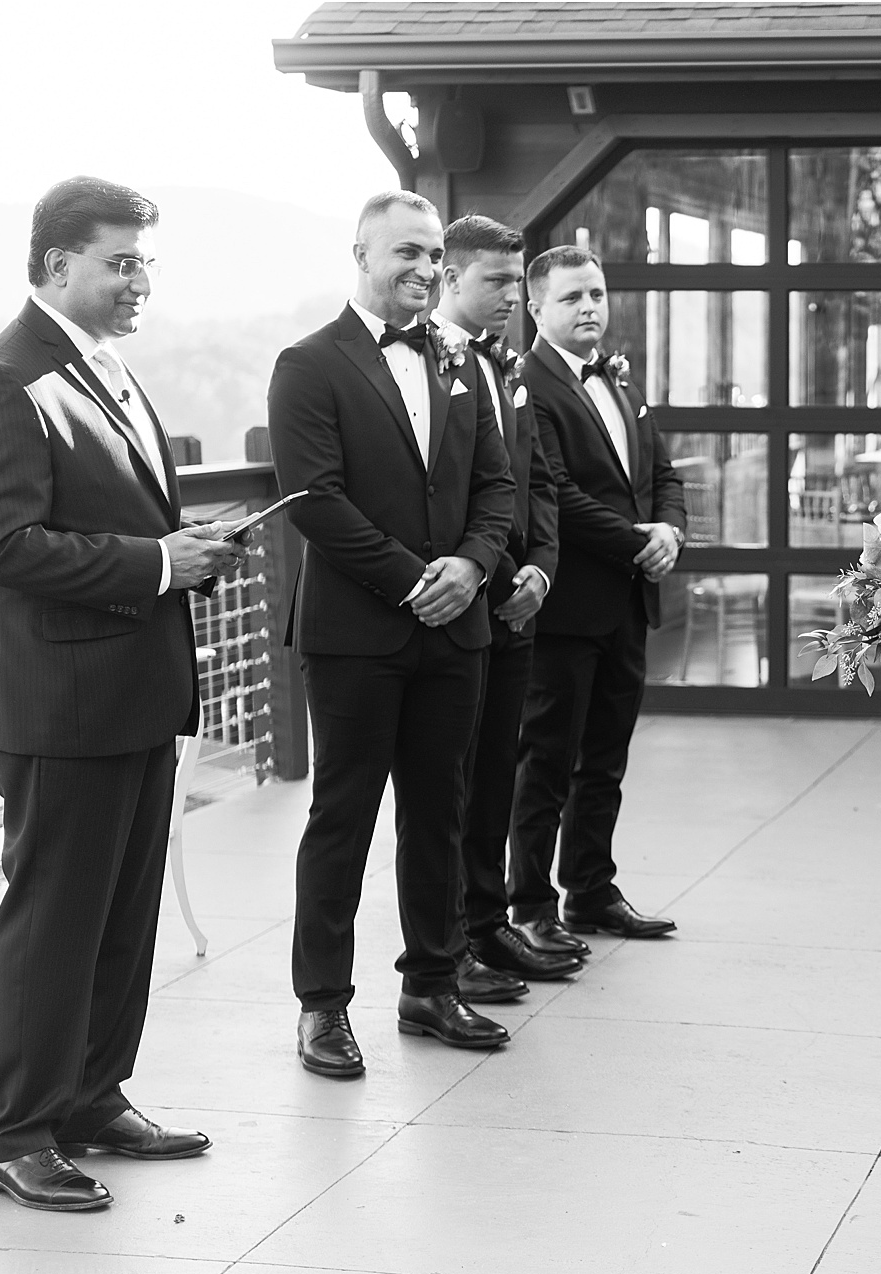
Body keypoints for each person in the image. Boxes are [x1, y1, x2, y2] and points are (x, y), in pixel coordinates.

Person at [0, 176, 234, 1210]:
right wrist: (159, 563)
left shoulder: (105, 369)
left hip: (132, 692)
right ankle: (14, 1135)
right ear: (56, 263)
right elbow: (3, 545)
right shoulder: (3, 379)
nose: (137, 281)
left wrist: (183, 556)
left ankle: (91, 1097)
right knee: (53, 925)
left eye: (145, 262)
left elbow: (116, 522)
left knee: (122, 919)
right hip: (58, 704)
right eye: (120, 262)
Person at [269, 191, 518, 1077]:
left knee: (439, 815)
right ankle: (322, 1008)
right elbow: (316, 501)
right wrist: (416, 579)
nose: (421, 269)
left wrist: (475, 567)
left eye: (430, 257)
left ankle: (431, 984)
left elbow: (497, 486)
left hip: (456, 631)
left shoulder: (460, 361)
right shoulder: (308, 364)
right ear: (362, 254)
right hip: (356, 635)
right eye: (404, 253)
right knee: (342, 819)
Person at [429, 216, 585, 997]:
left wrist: (543, 571)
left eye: (513, 282)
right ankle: (449, 942)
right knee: (450, 788)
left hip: (518, 602)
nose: (510, 297)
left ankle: (490, 928)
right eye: (494, 281)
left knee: (496, 776)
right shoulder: (430, 366)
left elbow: (541, 484)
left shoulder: (509, 367)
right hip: (459, 604)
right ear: (450, 278)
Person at [511, 247, 686, 940]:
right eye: (572, 297)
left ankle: (590, 890)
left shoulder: (621, 380)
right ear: (537, 309)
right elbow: (556, 493)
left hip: (628, 603)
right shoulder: (530, 384)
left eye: (597, 294)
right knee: (547, 761)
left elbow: (663, 475)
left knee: (606, 760)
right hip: (565, 607)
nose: (590, 308)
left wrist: (671, 529)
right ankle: (529, 906)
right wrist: (639, 540)